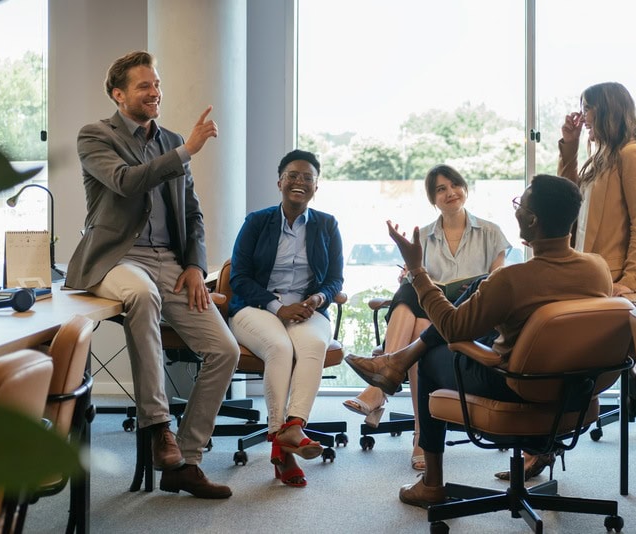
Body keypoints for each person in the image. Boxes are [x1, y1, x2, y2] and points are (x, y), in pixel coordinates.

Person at [344, 174, 613, 508]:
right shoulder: (598, 268)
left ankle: (431, 481)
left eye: (521, 205)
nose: (517, 211)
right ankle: (398, 360)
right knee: (479, 287)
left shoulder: (514, 280)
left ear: (532, 219)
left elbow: (454, 327)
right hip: (575, 391)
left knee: (431, 358)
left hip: (515, 385)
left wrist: (417, 271)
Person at [66, 51, 239, 499]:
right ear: (118, 94)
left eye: (157, 84)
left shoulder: (172, 140)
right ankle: (159, 424)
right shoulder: (94, 136)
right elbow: (126, 181)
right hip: (117, 259)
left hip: (172, 263)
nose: (155, 92)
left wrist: (197, 267)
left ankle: (187, 459)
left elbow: (192, 213)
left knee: (225, 349)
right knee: (141, 295)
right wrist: (187, 152)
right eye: (144, 86)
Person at [343, 164, 509, 471]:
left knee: (422, 319)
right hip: (433, 314)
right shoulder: (424, 235)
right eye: (441, 189)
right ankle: (417, 432)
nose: (450, 193)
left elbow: (496, 285)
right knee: (411, 297)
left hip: (468, 313)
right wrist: (411, 274)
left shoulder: (491, 231)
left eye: (454, 185)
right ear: (432, 199)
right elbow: (420, 283)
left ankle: (383, 386)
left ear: (465, 188)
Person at [227, 150, 343, 488]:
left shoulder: (327, 224)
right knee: (279, 348)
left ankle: (292, 428)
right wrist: (278, 307)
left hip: (308, 308)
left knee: (313, 345)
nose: (300, 182)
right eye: (293, 175)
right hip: (257, 306)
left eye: (308, 178)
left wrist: (317, 298)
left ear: (316, 187)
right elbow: (240, 278)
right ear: (280, 182)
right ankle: (284, 438)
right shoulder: (257, 221)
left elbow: (335, 279)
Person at [558, 81, 636, 297]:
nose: (581, 117)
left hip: (614, 282)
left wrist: (630, 280)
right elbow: (567, 199)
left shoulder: (632, 154)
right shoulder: (602, 159)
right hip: (588, 276)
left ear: (606, 110)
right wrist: (570, 145)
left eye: (586, 109)